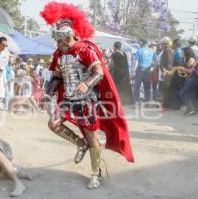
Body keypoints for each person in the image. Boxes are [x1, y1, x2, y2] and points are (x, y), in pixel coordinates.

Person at [41, 2, 134, 189]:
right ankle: (79, 144)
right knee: (53, 123)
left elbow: (99, 72)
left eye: (63, 39)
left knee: (92, 138)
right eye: (58, 40)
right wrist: (47, 93)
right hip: (68, 99)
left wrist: (86, 83)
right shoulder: (59, 54)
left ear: (71, 36)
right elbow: (57, 77)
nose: (61, 44)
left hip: (86, 100)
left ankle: (96, 173)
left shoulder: (86, 50)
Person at [173, 47, 198, 116]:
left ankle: (190, 108)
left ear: (186, 52)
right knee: (192, 95)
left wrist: (181, 68)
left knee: (182, 93)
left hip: (193, 79)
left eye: (182, 52)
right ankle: (195, 110)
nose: (181, 53)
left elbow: (190, 71)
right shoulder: (188, 59)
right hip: (191, 79)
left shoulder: (191, 59)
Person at [133, 39, 155, 104]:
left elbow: (136, 61)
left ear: (142, 43)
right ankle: (147, 100)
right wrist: (152, 68)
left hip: (140, 69)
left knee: (137, 86)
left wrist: (133, 70)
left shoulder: (139, 50)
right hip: (148, 70)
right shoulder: (152, 51)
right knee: (147, 86)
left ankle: (137, 101)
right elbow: (155, 62)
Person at [159, 37, 174, 111]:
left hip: (167, 72)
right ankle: (166, 105)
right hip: (167, 72)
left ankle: (166, 106)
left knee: (166, 89)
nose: (161, 45)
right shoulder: (168, 50)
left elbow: (168, 63)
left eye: (162, 43)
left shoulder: (167, 51)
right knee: (165, 89)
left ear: (165, 44)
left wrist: (165, 72)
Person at [169, 39, 185, 110]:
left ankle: (176, 105)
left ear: (175, 44)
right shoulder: (180, 51)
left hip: (178, 73)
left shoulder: (178, 52)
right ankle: (178, 105)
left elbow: (179, 64)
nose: (172, 45)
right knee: (177, 89)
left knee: (175, 89)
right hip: (180, 73)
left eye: (173, 44)